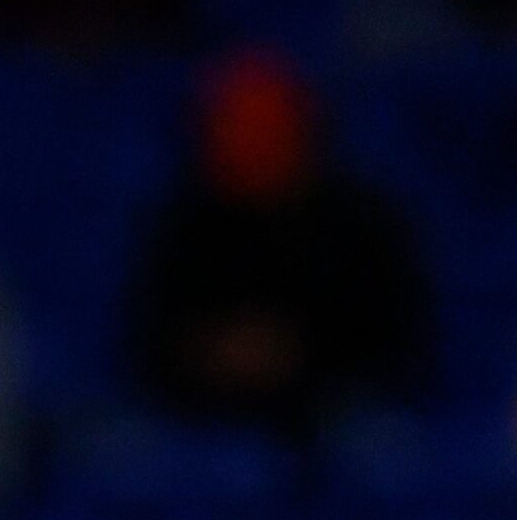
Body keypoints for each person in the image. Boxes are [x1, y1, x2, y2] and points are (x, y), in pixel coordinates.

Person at [128, 48, 431, 433]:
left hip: (334, 411)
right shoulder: (181, 226)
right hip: (198, 412)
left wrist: (296, 355)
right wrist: (215, 356)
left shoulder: (363, 222)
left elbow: (397, 345)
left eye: (267, 126)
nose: (252, 141)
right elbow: (148, 344)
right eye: (237, 126)